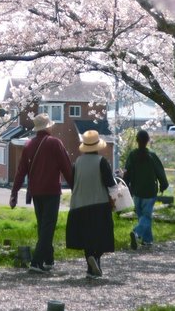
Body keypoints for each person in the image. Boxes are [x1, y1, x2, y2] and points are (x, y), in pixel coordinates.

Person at [10, 113, 74, 273]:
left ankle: (48, 259)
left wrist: (14, 192)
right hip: (51, 190)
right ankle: (36, 262)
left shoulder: (28, 145)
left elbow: (20, 171)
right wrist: (74, 186)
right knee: (48, 227)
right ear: (48, 127)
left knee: (43, 227)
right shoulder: (55, 143)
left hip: (35, 192)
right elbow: (66, 167)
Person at [66, 129, 116, 279]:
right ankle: (96, 259)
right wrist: (114, 199)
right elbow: (110, 184)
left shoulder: (77, 163)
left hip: (79, 205)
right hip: (99, 203)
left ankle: (90, 266)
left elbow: (73, 183)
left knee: (86, 237)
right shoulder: (102, 162)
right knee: (101, 236)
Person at [121, 129, 168, 249]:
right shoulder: (152, 155)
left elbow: (127, 173)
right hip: (150, 191)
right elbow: (160, 172)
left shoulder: (132, 155)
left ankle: (147, 240)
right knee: (146, 217)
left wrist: (126, 187)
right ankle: (136, 232)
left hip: (137, 191)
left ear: (137, 141)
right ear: (147, 141)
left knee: (142, 217)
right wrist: (163, 185)